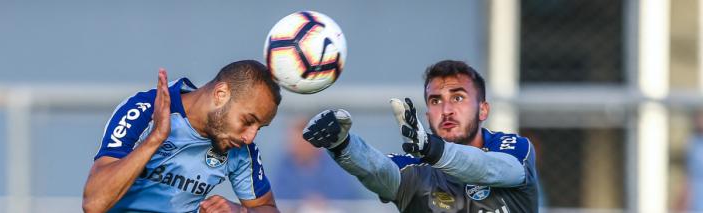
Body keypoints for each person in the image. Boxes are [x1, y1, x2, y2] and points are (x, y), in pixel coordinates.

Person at [301, 60, 539, 212]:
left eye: (458, 98)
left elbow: (490, 168)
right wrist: (343, 144)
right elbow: (377, 169)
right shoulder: (414, 169)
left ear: (483, 109)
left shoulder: (514, 149)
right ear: (427, 115)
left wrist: (434, 150)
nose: (447, 110)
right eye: (436, 101)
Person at [82, 60, 282, 213]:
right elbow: (93, 203)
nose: (250, 137)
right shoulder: (146, 110)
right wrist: (156, 138)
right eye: (248, 121)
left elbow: (267, 207)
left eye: (260, 128)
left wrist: (241, 211)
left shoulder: (242, 150)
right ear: (221, 94)